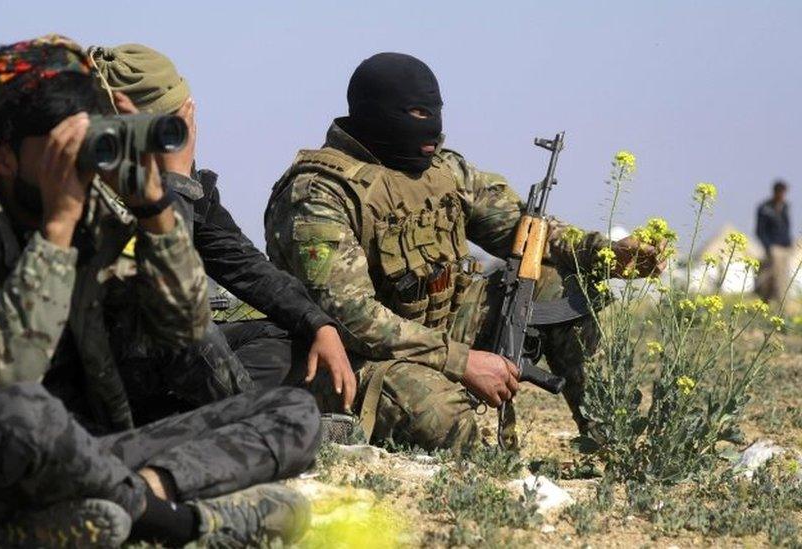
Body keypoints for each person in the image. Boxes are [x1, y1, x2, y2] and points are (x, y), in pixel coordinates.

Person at [0, 35, 319, 548]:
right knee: (18, 410)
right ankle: (178, 524)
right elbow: (7, 376)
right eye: (65, 149)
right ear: (1, 155)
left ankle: (116, 503)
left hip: (85, 446)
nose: (83, 162)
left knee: (292, 412)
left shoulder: (91, 194)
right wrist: (58, 230)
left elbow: (186, 325)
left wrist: (154, 206)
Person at [265, 52, 664, 453]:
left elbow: (522, 232)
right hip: (353, 359)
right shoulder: (319, 193)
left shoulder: (442, 171)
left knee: (557, 285)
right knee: (445, 421)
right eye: (418, 112)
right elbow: (353, 319)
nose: (432, 127)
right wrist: (461, 362)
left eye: (436, 112)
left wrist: (605, 252)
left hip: (440, 328)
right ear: (376, 114)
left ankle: (611, 439)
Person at [89, 44, 356, 423]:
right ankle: (253, 425)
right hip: (92, 374)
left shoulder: (169, 182)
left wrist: (317, 323)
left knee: (287, 340)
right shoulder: (76, 187)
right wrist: (175, 183)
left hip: (149, 367)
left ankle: (184, 421)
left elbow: (242, 264)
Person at [756, 180, 793, 304]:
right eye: (780, 192)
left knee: (782, 278)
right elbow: (759, 230)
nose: (782, 195)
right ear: (775, 192)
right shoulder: (765, 208)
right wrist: (768, 246)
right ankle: (765, 303)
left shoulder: (785, 207)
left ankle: (781, 306)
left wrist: (789, 243)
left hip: (785, 248)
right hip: (773, 248)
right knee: (768, 278)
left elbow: (787, 227)